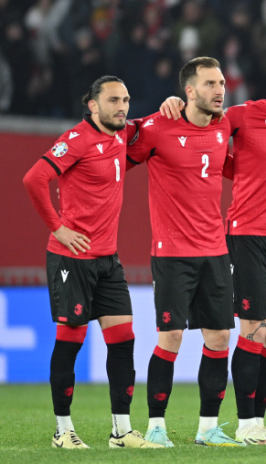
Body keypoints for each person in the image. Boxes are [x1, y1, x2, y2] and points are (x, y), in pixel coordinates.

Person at [158, 49, 266, 445]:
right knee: (254, 330)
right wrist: (174, 106)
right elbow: (200, 128)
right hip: (248, 234)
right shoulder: (242, 115)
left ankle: (260, 421)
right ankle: (244, 422)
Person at [22, 76, 163, 450]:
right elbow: (34, 178)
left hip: (107, 259)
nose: (122, 106)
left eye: (127, 99)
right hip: (72, 258)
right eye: (114, 100)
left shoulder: (119, 134)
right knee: (71, 342)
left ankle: (121, 431)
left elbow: (147, 126)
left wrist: (170, 103)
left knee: (124, 340)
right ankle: (62, 431)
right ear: (92, 105)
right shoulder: (77, 139)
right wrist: (59, 228)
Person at [126, 57, 242, 448]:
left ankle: (208, 428)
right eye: (210, 83)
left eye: (222, 82)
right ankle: (156, 425)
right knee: (171, 336)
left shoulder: (224, 124)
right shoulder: (158, 128)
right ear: (188, 91)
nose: (219, 90)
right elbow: (118, 154)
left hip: (215, 250)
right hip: (172, 251)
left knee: (219, 338)